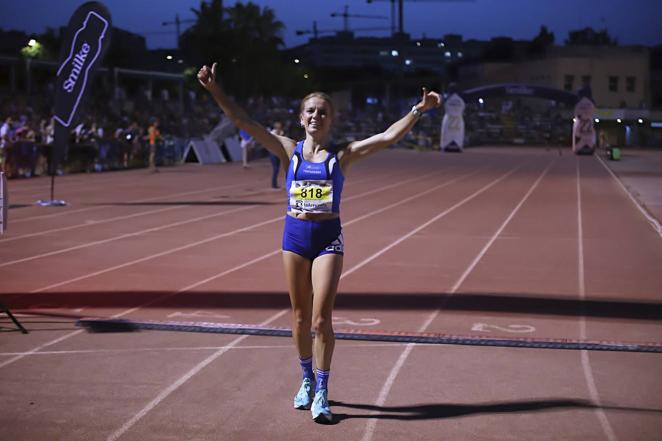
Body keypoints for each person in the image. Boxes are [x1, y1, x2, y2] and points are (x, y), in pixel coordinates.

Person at [197, 62, 441, 424]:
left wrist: (418, 110)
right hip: (294, 237)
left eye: (323, 112)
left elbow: (387, 138)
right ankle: (307, 380)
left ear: (331, 120)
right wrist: (215, 90)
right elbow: (244, 123)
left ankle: (324, 392)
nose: (316, 116)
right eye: (310, 111)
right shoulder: (287, 149)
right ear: (300, 118)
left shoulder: (341, 156)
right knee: (298, 317)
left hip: (328, 238)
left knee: (321, 318)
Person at [268, 121, 285, 188]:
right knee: (276, 168)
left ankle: (275, 184)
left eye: (280, 127)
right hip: (273, 152)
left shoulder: (281, 132)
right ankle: (274, 184)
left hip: (278, 152)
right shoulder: (272, 133)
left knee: (277, 168)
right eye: (278, 127)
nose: (279, 129)